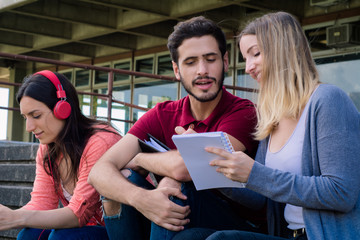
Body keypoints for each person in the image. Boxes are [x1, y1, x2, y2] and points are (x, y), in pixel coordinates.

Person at [88, 16, 266, 240]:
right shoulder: (163, 113)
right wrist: (140, 198)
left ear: (225, 61)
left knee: (174, 184)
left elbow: (187, 168)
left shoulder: (243, 112)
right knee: (122, 180)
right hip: (182, 220)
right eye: (190, 62)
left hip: (238, 223)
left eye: (210, 59)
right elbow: (98, 172)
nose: (202, 70)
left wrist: (141, 158)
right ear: (176, 69)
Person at [198, 11, 360, 240]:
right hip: (287, 234)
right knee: (191, 235)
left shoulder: (328, 100)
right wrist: (215, 170)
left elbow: (341, 193)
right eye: (246, 58)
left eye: (255, 54)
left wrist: (255, 173)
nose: (248, 67)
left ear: (283, 49)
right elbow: (262, 199)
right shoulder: (273, 117)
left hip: (322, 236)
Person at [0, 70, 121, 240]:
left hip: (120, 231)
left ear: (62, 108)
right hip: (84, 230)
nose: (29, 127)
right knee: (28, 235)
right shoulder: (47, 149)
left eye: (36, 115)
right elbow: (42, 204)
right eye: (25, 117)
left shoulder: (100, 141)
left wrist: (16, 218)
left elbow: (77, 215)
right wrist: (7, 216)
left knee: (61, 238)